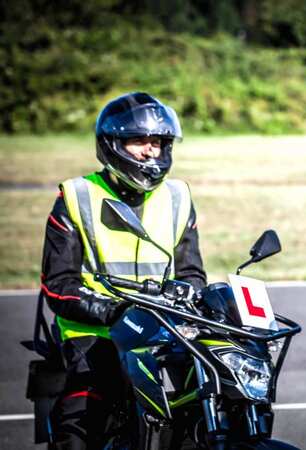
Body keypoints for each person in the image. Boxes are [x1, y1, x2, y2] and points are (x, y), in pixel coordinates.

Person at [41, 92, 206, 449]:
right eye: (139, 141)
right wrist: (114, 311)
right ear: (112, 144)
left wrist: (189, 297)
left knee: (198, 416)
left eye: (159, 142)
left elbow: (193, 274)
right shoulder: (77, 195)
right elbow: (58, 285)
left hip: (162, 334)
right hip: (92, 336)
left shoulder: (178, 197)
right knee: (79, 433)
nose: (151, 151)